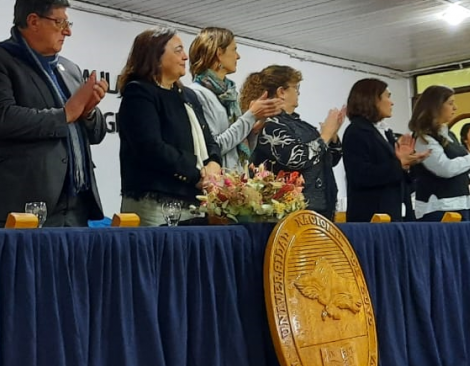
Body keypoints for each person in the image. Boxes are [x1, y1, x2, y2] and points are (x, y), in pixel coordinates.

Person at [0, 0, 106, 228]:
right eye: (60, 23)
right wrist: (65, 114)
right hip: (22, 203)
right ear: (33, 21)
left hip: (75, 205)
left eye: (68, 24)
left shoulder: (70, 69)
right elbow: (2, 119)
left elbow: (95, 134)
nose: (67, 32)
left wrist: (88, 113)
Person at [117, 28, 221, 226]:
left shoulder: (188, 96)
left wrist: (213, 165)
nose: (185, 57)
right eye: (178, 50)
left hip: (195, 201)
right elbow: (150, 147)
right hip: (155, 202)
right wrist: (195, 174)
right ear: (155, 56)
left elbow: (209, 140)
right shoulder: (139, 93)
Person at [247, 65, 345, 219]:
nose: (298, 92)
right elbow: (295, 158)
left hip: (320, 210)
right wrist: (324, 135)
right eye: (295, 87)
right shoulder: (269, 125)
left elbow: (328, 160)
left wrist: (332, 136)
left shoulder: (302, 126)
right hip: (292, 213)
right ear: (281, 92)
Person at [185, 27, 279, 170]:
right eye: (234, 49)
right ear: (219, 53)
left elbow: (238, 152)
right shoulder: (197, 94)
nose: (238, 56)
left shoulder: (229, 96)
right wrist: (250, 116)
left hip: (233, 182)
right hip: (215, 185)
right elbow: (213, 148)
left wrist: (252, 131)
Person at [342, 78, 426, 222]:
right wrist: (399, 163)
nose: (392, 102)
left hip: (397, 213)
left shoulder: (385, 132)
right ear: (372, 99)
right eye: (387, 96)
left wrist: (409, 164)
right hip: (373, 217)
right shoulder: (356, 131)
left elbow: (403, 181)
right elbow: (361, 175)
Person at [408, 85, 470, 221]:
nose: (455, 108)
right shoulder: (424, 138)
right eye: (450, 103)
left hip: (461, 203)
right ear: (435, 106)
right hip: (439, 207)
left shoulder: (449, 134)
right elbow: (445, 168)